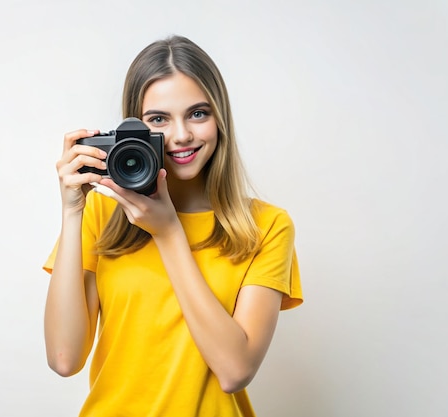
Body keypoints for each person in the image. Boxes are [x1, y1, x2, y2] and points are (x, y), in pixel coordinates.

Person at [43, 35, 303, 417]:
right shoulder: (103, 214)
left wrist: (167, 233)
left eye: (198, 113)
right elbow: (64, 358)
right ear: (136, 129)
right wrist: (71, 212)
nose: (181, 135)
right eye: (159, 119)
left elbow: (235, 370)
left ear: (220, 118)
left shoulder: (265, 226)